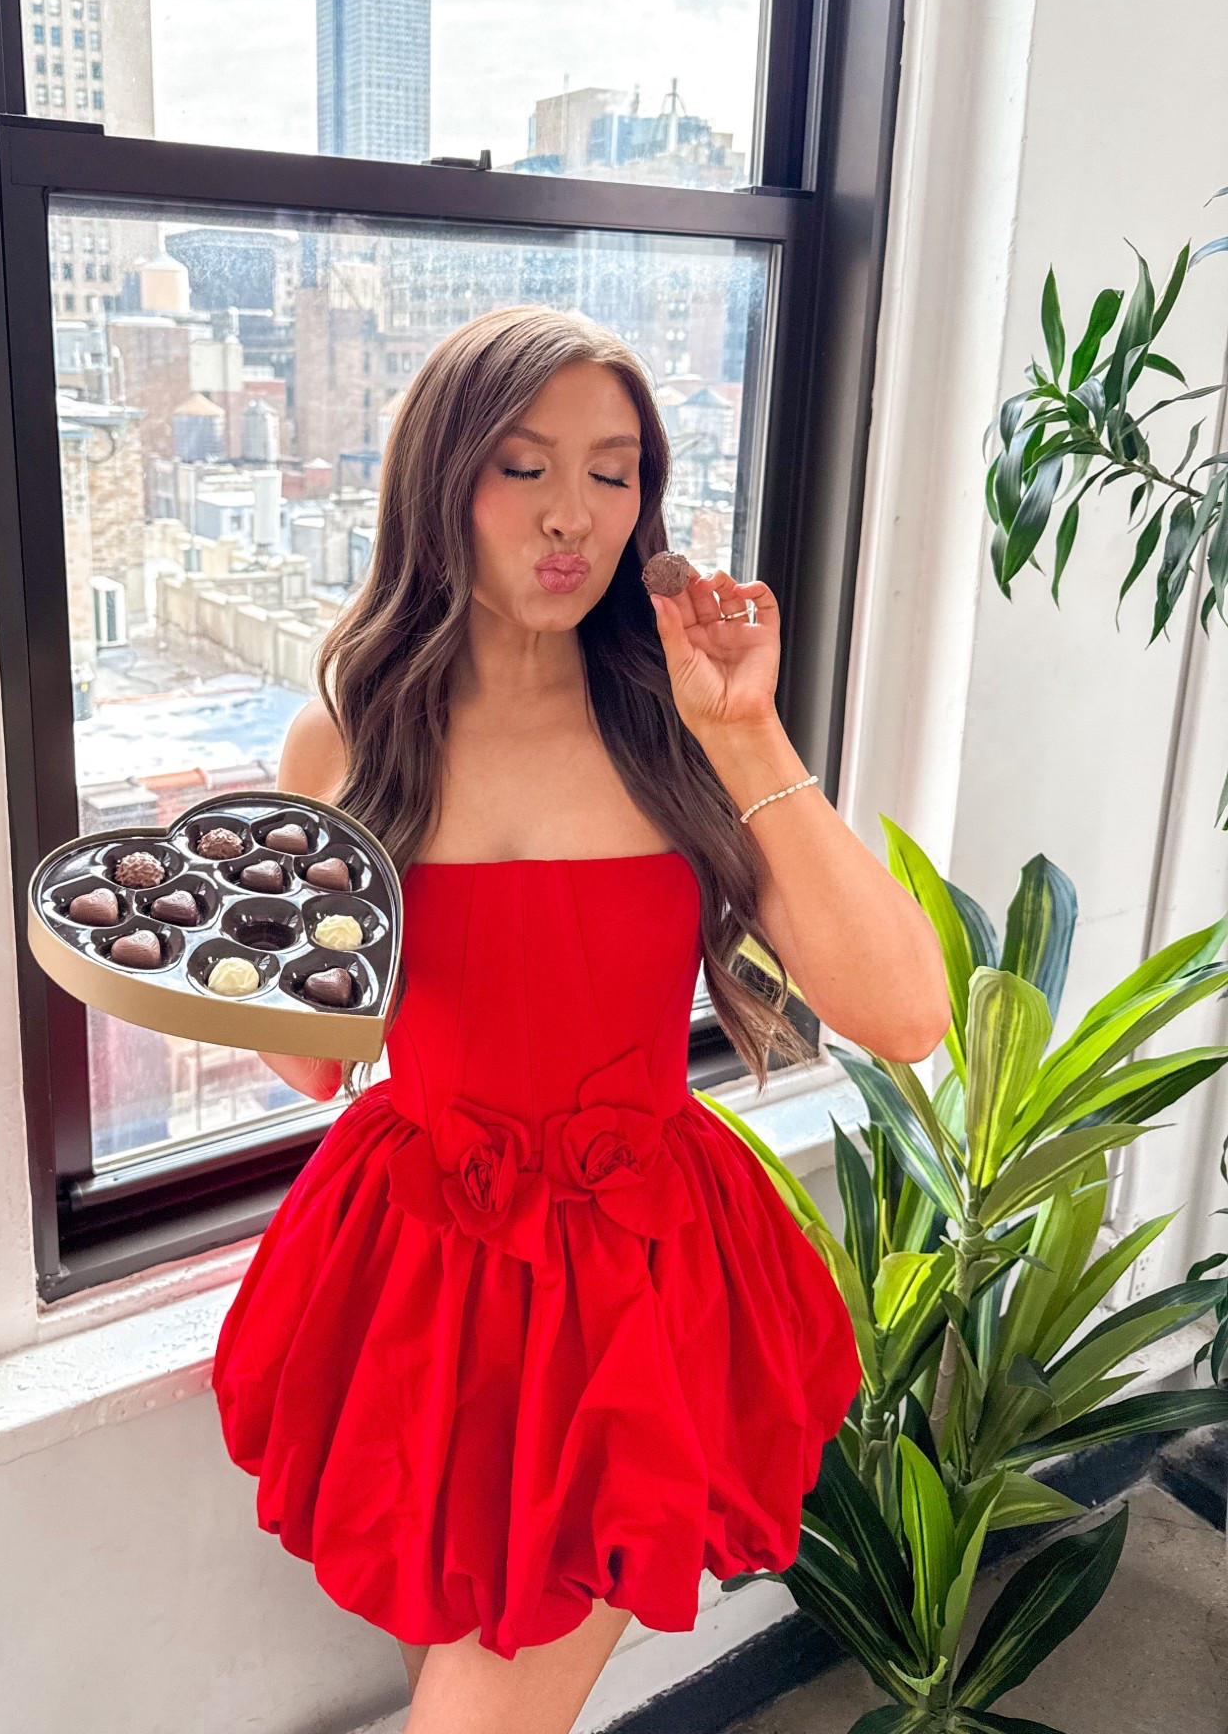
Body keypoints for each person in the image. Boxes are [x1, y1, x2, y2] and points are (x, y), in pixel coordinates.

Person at [212, 306, 948, 1733]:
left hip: (639, 1293)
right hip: (423, 1272)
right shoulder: (350, 732)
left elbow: (907, 1012)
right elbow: (310, 1070)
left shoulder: (677, 721)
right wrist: (244, 916)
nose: (572, 516)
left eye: (613, 474)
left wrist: (747, 731)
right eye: (521, 466)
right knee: (465, 1661)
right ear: (440, 480)